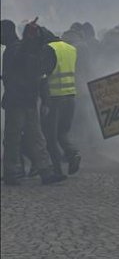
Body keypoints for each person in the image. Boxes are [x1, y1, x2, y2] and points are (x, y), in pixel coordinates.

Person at [2, 20, 66, 185]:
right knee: (35, 137)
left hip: (17, 101)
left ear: (7, 32)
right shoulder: (18, 49)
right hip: (27, 99)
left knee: (14, 138)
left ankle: (13, 172)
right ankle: (44, 171)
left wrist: (29, 37)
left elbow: (32, 71)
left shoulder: (15, 50)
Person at [43, 28, 82, 176]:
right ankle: (73, 153)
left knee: (50, 135)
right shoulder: (71, 48)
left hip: (54, 98)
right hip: (70, 95)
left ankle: (56, 166)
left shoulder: (48, 48)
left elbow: (45, 74)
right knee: (63, 132)